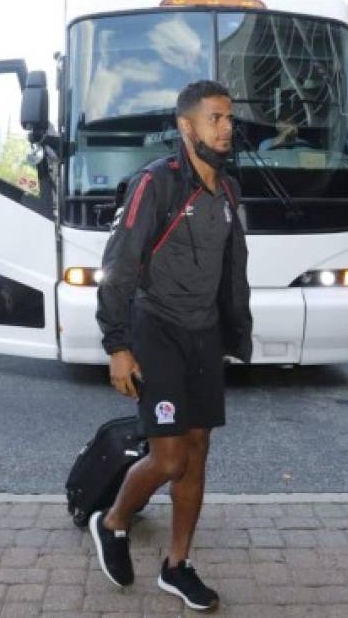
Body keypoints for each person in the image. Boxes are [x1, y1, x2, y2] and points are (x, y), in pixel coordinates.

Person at [92, 80, 252, 611]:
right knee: (168, 458)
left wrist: (232, 332)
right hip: (155, 328)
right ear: (187, 127)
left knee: (199, 449)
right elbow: (118, 266)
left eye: (229, 118)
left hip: (203, 336)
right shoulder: (156, 184)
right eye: (215, 119)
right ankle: (113, 521)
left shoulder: (227, 190)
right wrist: (118, 344)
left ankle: (176, 565)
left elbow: (231, 271)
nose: (226, 128)